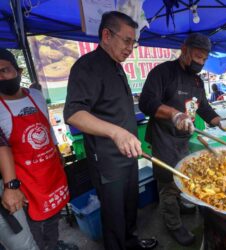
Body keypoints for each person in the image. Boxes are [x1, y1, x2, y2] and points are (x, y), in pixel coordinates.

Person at [63, 11, 157, 250]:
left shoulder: (116, 66)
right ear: (106, 34)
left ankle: (131, 242)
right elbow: (74, 114)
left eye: (133, 43)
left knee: (129, 206)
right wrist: (116, 132)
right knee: (114, 215)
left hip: (126, 156)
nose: (130, 48)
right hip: (107, 160)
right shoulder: (88, 67)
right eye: (127, 41)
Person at [139, 33, 222, 246]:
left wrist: (217, 119)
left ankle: (181, 205)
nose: (200, 63)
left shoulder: (196, 80)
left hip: (184, 138)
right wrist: (174, 114)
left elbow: (201, 105)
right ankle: (173, 224)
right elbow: (147, 102)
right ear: (184, 50)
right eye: (197, 57)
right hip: (163, 138)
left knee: (185, 175)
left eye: (204, 59)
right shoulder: (163, 72)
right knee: (168, 182)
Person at [0, 49, 71, 250]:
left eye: (5, 70)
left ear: (18, 71)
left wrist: (57, 150)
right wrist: (10, 187)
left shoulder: (36, 95)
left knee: (54, 218)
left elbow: (47, 127)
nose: (1, 77)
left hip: (50, 170)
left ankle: (53, 245)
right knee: (34, 228)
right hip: (27, 180)